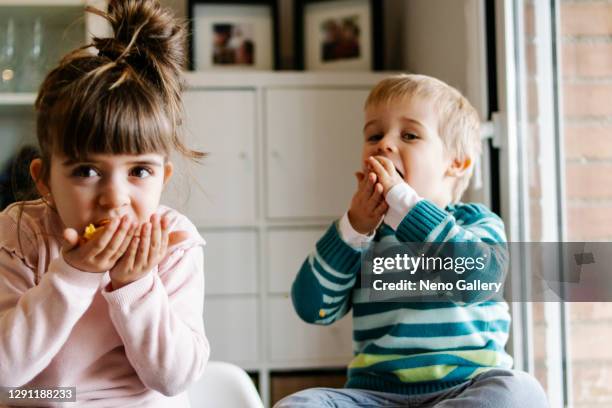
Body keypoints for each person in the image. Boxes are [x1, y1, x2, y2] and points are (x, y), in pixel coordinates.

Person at [275, 74, 549, 407]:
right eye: (374, 134)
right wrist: (352, 229)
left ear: (456, 163)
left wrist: (406, 208)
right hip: (373, 394)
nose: (384, 144)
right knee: (299, 404)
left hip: (465, 387)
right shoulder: (362, 236)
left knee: (521, 392)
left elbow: (476, 280)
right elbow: (313, 308)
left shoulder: (478, 223)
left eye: (409, 135)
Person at [0, 1, 209, 406]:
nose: (115, 199)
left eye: (139, 172)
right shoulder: (20, 234)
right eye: (86, 172)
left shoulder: (173, 243)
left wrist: (138, 286)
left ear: (162, 179)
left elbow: (175, 378)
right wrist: (72, 276)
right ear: (44, 181)